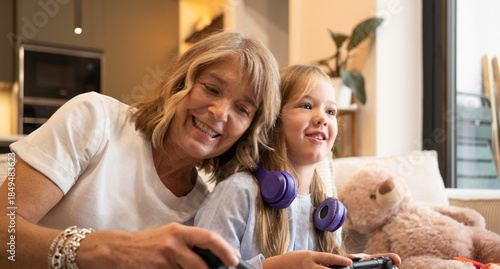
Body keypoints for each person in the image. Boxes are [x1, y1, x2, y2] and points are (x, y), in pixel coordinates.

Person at [0, 30, 281, 268]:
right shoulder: (95, 119)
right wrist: (108, 250)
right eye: (211, 89)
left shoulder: (204, 209)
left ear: (248, 131)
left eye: (242, 109)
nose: (220, 113)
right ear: (181, 83)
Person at [194, 64, 402, 269]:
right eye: (307, 106)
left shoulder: (326, 211)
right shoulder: (238, 192)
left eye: (330, 111)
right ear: (274, 119)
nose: (322, 118)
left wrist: (345, 264)